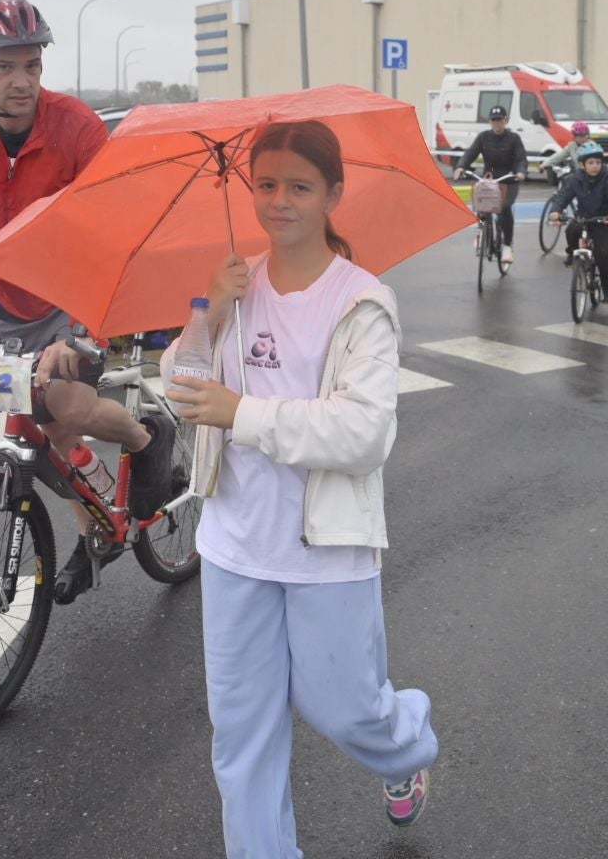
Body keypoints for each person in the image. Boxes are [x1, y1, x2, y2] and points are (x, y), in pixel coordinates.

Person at [165, 120, 437, 855]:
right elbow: (181, 387)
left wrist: (243, 413)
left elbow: (362, 435)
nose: (279, 200)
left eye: (299, 186)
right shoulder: (236, 285)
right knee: (243, 741)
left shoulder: (362, 303)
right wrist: (208, 313)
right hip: (234, 545)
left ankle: (407, 747)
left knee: (346, 710)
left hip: (326, 550)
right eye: (266, 184)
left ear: (333, 195)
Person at [0, 0, 172, 604]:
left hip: (78, 289)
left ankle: (143, 439)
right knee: (29, 428)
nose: (22, 81)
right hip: (14, 297)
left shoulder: (75, 125)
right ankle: (99, 529)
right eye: (6, 67)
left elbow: (108, 232)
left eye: (32, 65)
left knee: (69, 407)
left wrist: (77, 327)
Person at [548, 141, 608, 301]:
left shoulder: (606, 178)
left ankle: (607, 287)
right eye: (590, 163)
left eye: (598, 162)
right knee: (571, 229)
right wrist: (556, 210)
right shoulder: (575, 180)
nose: (595, 166)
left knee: (602, 255)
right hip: (584, 218)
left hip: (603, 221)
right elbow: (564, 196)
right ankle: (572, 253)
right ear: (582, 165)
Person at [453, 105, 528, 266]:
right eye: (494, 120)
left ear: (505, 120)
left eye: (500, 119)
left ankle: (507, 246)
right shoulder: (483, 137)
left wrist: (521, 172)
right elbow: (470, 153)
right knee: (481, 204)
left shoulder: (514, 138)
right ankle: (480, 231)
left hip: (509, 179)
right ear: (490, 121)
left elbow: (521, 158)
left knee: (506, 207)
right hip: (489, 179)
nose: (497, 123)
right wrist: (460, 166)